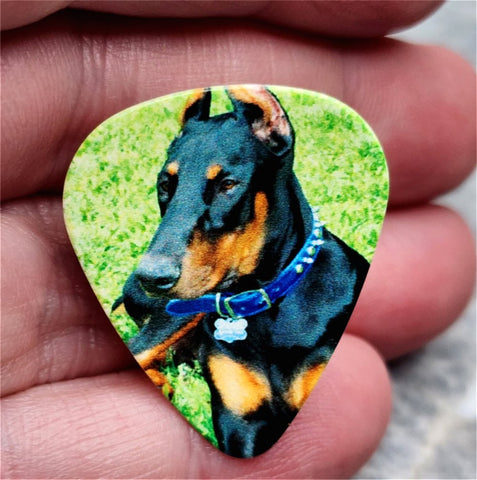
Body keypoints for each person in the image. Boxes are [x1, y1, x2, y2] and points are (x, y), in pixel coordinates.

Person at [1, 2, 475, 478]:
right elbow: (239, 430)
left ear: (275, 137)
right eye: (170, 187)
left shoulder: (344, 285)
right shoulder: (213, 298)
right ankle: (160, 349)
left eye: (226, 186)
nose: (154, 263)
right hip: (220, 311)